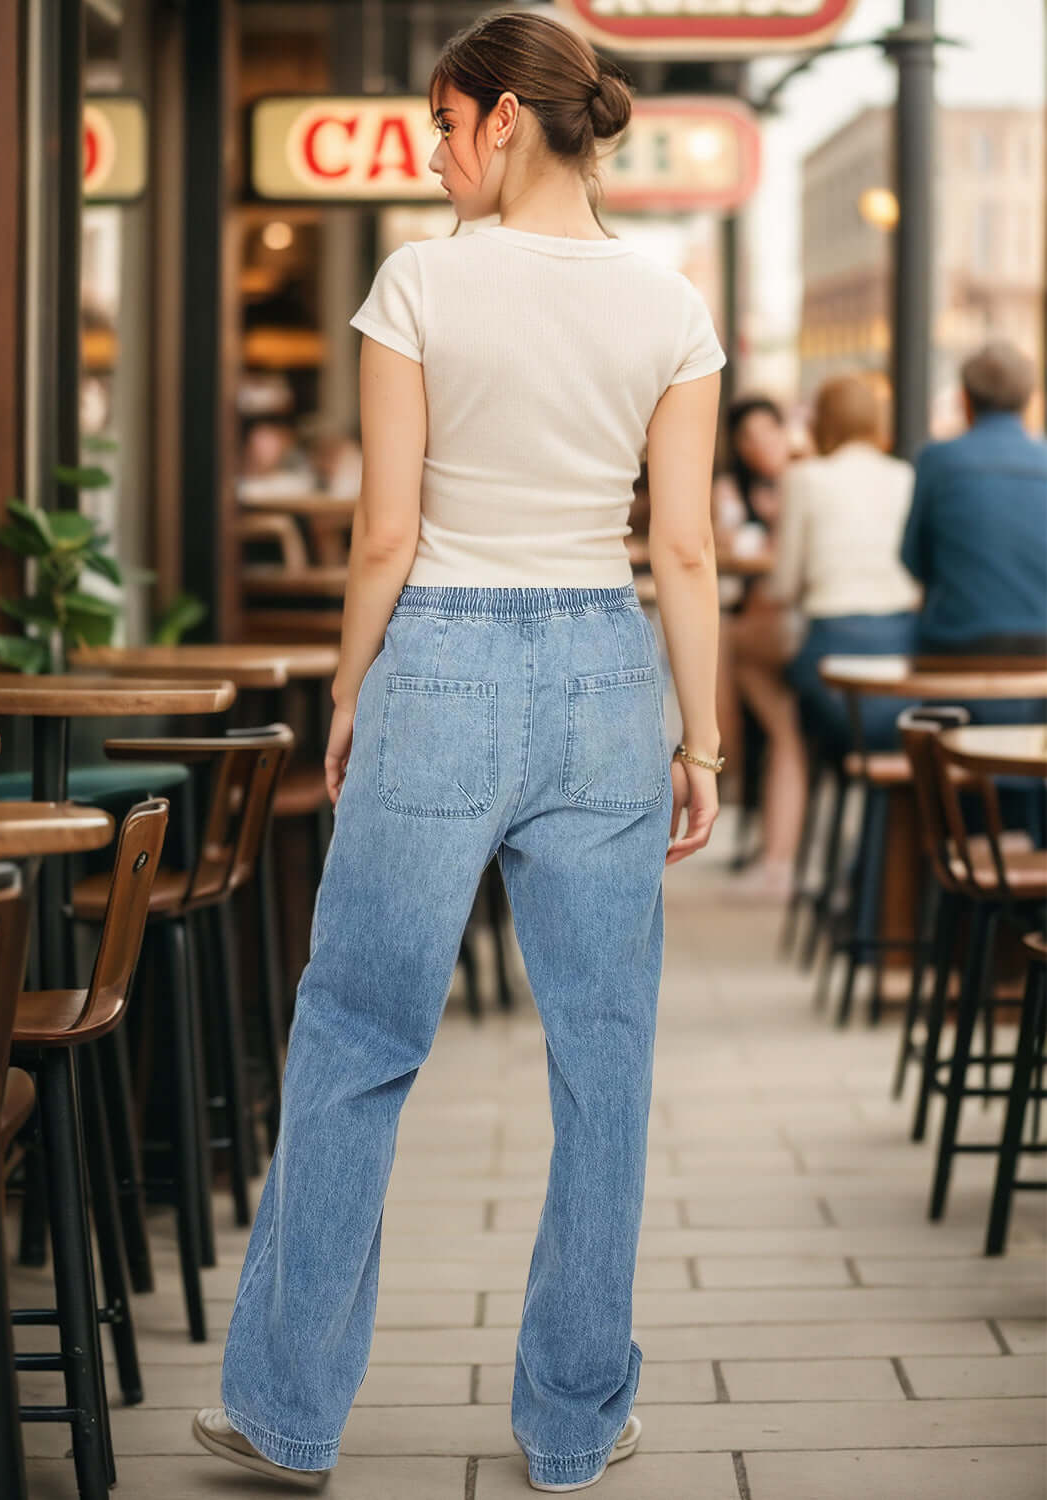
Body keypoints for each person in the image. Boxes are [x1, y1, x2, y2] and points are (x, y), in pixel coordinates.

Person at [193, 12, 726, 1495]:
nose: (432, 156)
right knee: (603, 1053)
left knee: (360, 1032)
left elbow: (382, 531)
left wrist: (356, 687)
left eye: (442, 126)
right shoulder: (668, 302)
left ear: (501, 120)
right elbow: (677, 546)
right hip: (607, 670)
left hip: (439, 656)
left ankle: (287, 1412)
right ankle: (570, 1426)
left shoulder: (419, 282)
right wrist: (706, 738)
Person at [771, 372, 922, 759]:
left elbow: (784, 588)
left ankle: (774, 758)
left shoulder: (803, 478)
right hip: (900, 653)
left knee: (747, 657)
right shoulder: (905, 477)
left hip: (829, 655)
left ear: (821, 422)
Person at [713, 396, 807, 897]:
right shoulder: (735, 488)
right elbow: (722, 539)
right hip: (771, 625)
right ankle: (718, 752)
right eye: (746, 438)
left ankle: (716, 752)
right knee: (783, 725)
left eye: (766, 433)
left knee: (727, 647)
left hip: (793, 631)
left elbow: (787, 572)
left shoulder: (807, 478)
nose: (758, 446)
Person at [900, 339, 1047, 659]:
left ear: (964, 400)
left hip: (955, 644)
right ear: (1028, 402)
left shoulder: (937, 460)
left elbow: (913, 560)